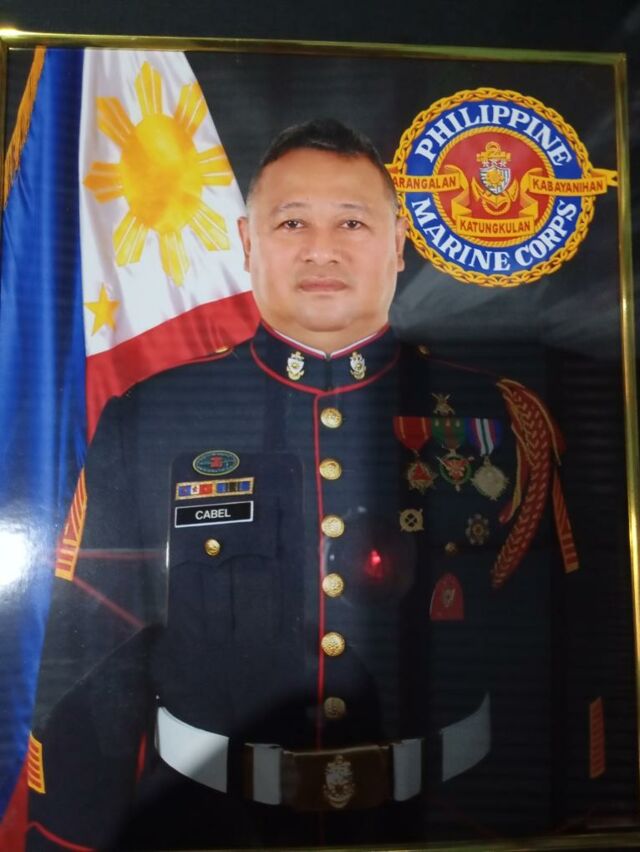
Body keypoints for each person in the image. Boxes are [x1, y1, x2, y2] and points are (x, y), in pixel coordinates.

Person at [27, 119, 575, 850]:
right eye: (292, 223)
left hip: (451, 822)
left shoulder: (501, 416)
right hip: (208, 828)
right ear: (247, 243)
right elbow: (95, 653)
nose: (322, 249)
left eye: (352, 222)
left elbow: (566, 647)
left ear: (399, 243)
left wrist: (580, 827)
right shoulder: (152, 417)